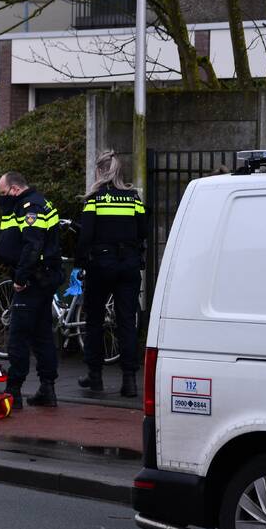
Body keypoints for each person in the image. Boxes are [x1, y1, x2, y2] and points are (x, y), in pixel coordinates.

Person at [75, 151, 147, 398]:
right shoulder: (133, 198)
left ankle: (95, 377)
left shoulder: (95, 199)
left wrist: (80, 263)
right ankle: (129, 381)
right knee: (127, 321)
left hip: (101, 266)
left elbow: (85, 236)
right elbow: (144, 231)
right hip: (128, 265)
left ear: (100, 172)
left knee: (94, 321)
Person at [0, 171, 62, 408]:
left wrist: (21, 278)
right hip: (44, 279)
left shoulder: (30, 207)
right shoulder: (41, 203)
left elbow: (32, 246)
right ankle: (48, 388)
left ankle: (14, 390)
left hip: (32, 280)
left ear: (14, 189)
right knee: (42, 334)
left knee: (19, 337)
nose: (2, 198)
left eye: (3, 193)